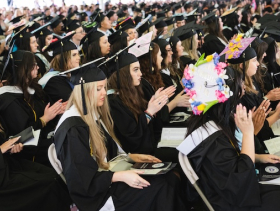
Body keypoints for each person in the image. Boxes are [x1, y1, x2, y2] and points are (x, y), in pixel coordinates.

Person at [178, 51, 280, 211]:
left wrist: (258, 157)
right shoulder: (213, 137)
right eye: (240, 87)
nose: (243, 91)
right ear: (227, 97)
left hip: (238, 188)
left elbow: (232, 161)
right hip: (232, 201)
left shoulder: (212, 121)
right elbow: (240, 184)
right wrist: (248, 133)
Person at [54, 65, 186, 211]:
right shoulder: (73, 129)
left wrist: (132, 157)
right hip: (98, 197)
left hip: (108, 178)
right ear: (84, 92)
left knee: (169, 177)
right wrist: (120, 176)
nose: (104, 93)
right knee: (161, 186)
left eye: (104, 87)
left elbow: (108, 154)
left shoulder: (91, 114)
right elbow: (82, 180)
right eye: (98, 89)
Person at [0, 50, 64, 165]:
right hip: (30, 152)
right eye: (34, 65)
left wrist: (58, 109)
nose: (38, 67)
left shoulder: (34, 87)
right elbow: (21, 136)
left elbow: (48, 108)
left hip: (46, 137)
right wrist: (44, 119)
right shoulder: (9, 100)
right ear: (23, 69)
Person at [108, 52, 168, 154]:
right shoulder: (113, 101)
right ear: (124, 73)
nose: (140, 73)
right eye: (135, 70)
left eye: (139, 69)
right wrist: (149, 113)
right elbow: (131, 138)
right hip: (137, 155)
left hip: (152, 145)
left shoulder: (134, 92)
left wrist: (155, 102)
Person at [0, 128, 72, 211]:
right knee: (48, 184)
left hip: (10, 163)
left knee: (53, 175)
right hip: (4, 181)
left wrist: (11, 147)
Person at [39, 33, 80, 103]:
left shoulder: (68, 74)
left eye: (78, 54)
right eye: (74, 55)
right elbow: (71, 101)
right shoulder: (53, 81)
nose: (78, 58)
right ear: (62, 59)